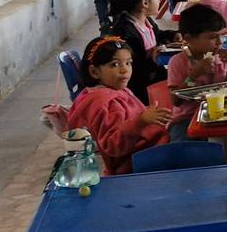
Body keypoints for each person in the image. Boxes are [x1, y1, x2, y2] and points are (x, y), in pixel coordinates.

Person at [68, 36, 171, 174]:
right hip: (138, 163)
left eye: (128, 63)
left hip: (150, 149)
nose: (124, 70)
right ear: (94, 72)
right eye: (115, 64)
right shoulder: (105, 102)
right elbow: (112, 145)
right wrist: (141, 121)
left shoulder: (117, 90)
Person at [167, 5, 227, 142]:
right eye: (213, 37)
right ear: (188, 38)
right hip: (187, 118)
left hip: (225, 114)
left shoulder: (224, 57)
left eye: (222, 35)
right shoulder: (178, 62)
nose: (220, 42)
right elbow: (176, 101)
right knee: (184, 146)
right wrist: (194, 75)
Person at [109, 0, 171, 103]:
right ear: (145, 3)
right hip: (140, 90)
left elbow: (157, 35)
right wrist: (152, 60)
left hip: (153, 76)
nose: (159, 0)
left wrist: (173, 36)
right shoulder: (126, 32)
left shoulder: (146, 21)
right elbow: (133, 71)